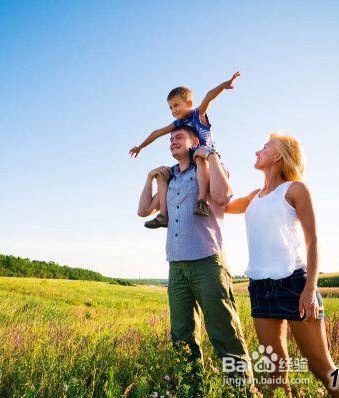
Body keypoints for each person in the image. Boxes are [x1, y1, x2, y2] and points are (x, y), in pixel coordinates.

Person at [137, 124, 255, 393]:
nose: (172, 142)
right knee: (181, 336)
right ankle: (192, 389)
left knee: (224, 333)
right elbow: (143, 210)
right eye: (170, 140)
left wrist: (210, 154)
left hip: (207, 262)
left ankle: (243, 391)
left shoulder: (207, 168)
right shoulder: (171, 179)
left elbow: (224, 196)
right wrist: (149, 177)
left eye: (178, 137)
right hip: (176, 266)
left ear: (194, 141)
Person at [226, 133, 338, 397]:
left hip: (295, 285)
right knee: (274, 372)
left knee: (321, 366)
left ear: (278, 155)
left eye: (264, 147)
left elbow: (313, 242)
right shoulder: (255, 196)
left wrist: (310, 290)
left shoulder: (295, 189)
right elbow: (222, 205)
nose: (257, 151)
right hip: (260, 288)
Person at [131, 71, 240, 227]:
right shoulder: (177, 124)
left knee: (199, 157)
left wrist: (223, 85)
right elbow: (157, 133)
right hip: (188, 162)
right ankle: (163, 215)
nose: (173, 110)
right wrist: (140, 147)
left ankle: (201, 201)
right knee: (162, 175)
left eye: (176, 105)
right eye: (170, 108)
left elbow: (208, 96)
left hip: (205, 156)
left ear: (188, 103)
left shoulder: (198, 114)